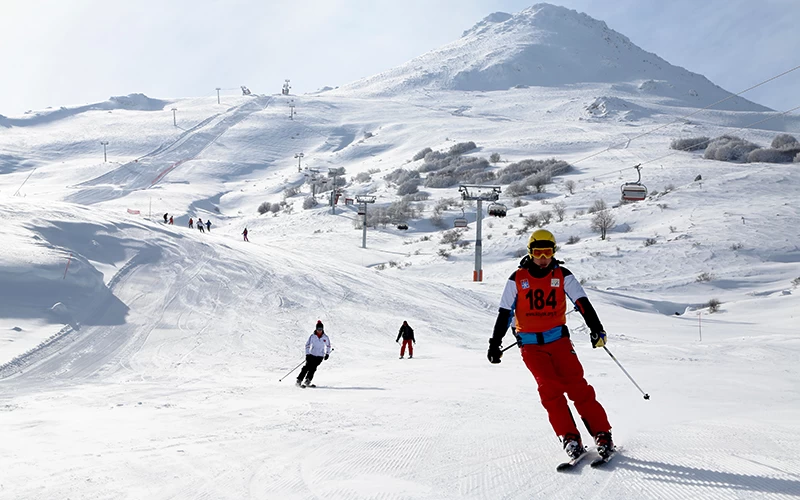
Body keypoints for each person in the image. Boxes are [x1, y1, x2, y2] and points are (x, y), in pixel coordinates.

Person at [487, 229, 614, 460]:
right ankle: (570, 438)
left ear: (554, 252)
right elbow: (505, 313)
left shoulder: (563, 274)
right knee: (550, 390)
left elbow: (582, 302)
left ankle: (603, 434)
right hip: (531, 346)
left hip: (559, 341)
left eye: (548, 252)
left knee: (577, 386)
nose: (543, 258)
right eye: (538, 252)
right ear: (530, 253)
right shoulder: (517, 279)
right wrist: (494, 344)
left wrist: (596, 329)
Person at [297, 321, 332, 388]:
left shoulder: (325, 337)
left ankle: (308, 380)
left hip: (320, 356)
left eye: (321, 329)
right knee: (307, 367)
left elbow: (328, 346)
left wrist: (327, 354)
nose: (319, 330)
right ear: (316, 329)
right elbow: (307, 345)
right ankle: (299, 380)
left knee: (313, 368)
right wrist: (307, 354)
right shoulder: (312, 336)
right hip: (312, 355)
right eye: (318, 329)